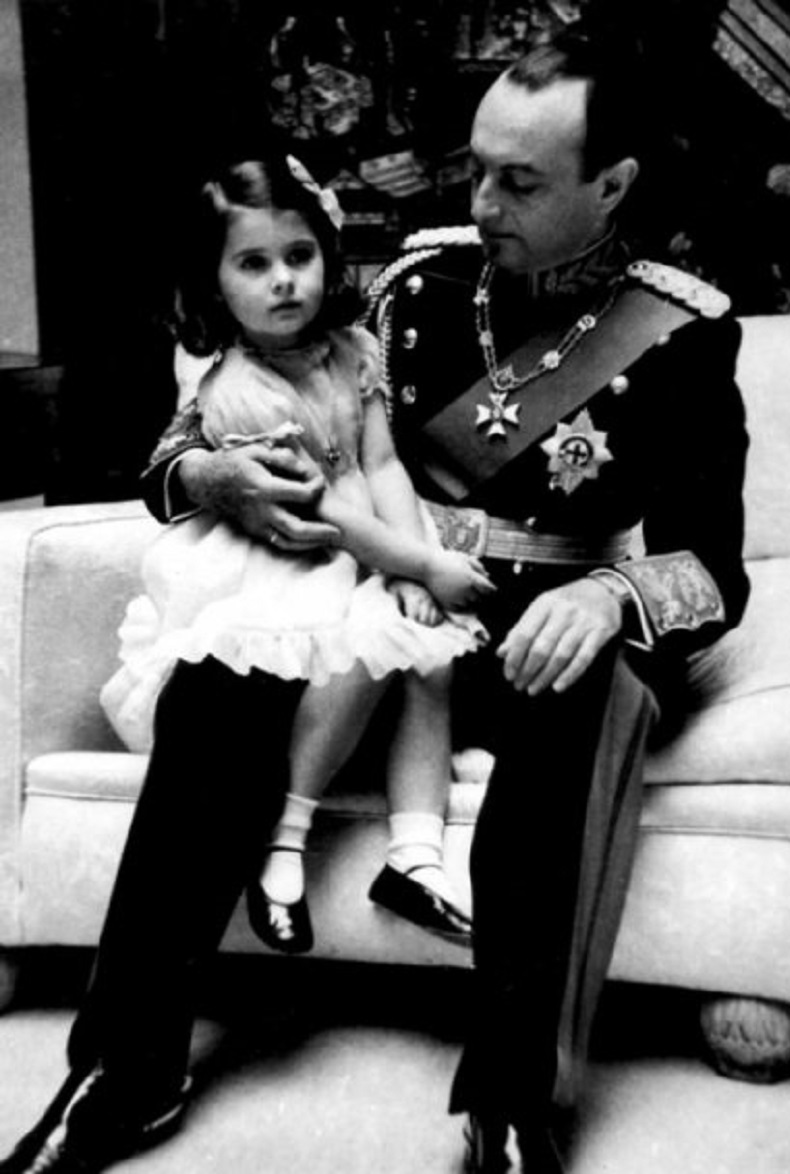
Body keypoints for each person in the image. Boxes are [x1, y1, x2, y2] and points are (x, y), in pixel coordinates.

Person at [0, 21, 749, 1174]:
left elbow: (710, 569)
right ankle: (127, 1064)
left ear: (611, 185)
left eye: (519, 182)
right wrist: (209, 477)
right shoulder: (415, 288)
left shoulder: (681, 336)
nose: (480, 202)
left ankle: (509, 1100)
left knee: (575, 688)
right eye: (476, 169)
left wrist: (608, 594)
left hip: (537, 625)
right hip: (378, 604)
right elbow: (188, 442)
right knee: (219, 682)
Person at [98, 152, 490, 955]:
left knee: (432, 658)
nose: (283, 280)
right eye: (254, 264)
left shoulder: (353, 351)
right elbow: (320, 507)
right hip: (294, 561)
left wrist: (415, 566)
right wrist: (416, 567)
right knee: (362, 648)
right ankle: (284, 840)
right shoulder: (234, 386)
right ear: (215, 285)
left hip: (371, 542)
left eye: (299, 255)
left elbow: (382, 465)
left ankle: (416, 856)